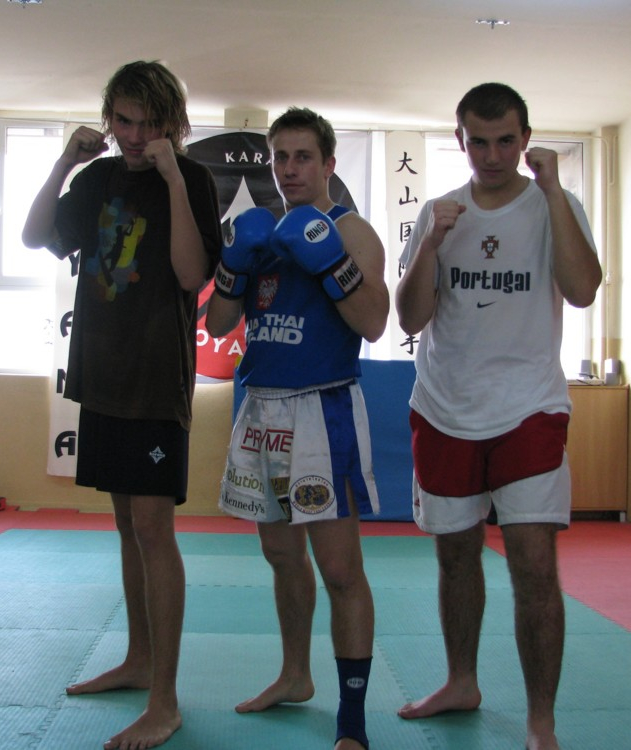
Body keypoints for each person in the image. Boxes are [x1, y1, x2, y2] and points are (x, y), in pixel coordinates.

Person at [394, 83, 602, 750]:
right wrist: (430, 246)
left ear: (526, 138)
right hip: (445, 406)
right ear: (460, 140)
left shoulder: (554, 204)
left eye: (505, 140)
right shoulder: (439, 211)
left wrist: (553, 190)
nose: (492, 155)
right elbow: (410, 318)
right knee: (456, 558)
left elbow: (583, 290)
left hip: (528, 407)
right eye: (478, 142)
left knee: (534, 565)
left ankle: (541, 721)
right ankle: (462, 682)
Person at [21, 60, 222, 750]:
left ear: (173, 124)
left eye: (150, 123)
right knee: (125, 526)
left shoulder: (191, 179)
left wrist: (172, 179)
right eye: (124, 122)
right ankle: (138, 659)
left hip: (156, 379)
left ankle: (165, 700)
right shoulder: (98, 178)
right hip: (101, 375)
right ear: (109, 120)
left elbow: (192, 275)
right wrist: (63, 163)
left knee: (153, 529)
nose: (135, 136)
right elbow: (35, 235)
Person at [206, 107, 389, 750]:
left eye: (303, 157)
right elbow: (219, 323)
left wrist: (330, 260)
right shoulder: (259, 232)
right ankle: (294, 675)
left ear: (329, 163)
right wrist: (233, 263)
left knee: (339, 568)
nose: (289, 170)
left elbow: (374, 322)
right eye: (280, 157)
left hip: (322, 408)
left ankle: (353, 718)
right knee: (281, 556)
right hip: (262, 408)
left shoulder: (352, 230)